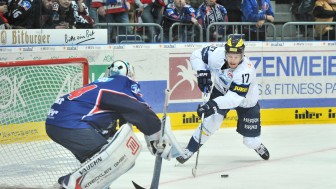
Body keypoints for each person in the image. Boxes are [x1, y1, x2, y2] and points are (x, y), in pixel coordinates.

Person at [45, 61, 172, 188]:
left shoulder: (105, 83)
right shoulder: (121, 83)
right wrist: (155, 135)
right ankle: (67, 184)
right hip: (71, 124)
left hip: (58, 123)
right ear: (129, 73)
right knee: (115, 159)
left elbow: (123, 114)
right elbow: (139, 110)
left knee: (98, 170)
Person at [176, 34, 270, 164]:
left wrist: (212, 104)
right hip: (221, 90)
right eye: (230, 56)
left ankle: (256, 145)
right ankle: (190, 149)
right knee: (211, 122)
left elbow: (234, 98)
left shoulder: (246, 71)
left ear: (242, 55)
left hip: (246, 101)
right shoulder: (217, 54)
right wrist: (201, 72)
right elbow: (196, 55)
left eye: (236, 57)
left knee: (250, 141)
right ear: (225, 53)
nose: (232, 60)